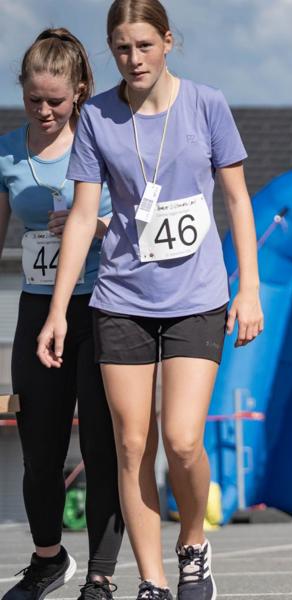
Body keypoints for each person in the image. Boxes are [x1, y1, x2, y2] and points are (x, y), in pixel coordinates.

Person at [36, 2, 263, 599]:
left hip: (198, 296)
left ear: (167, 42)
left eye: (143, 45)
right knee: (132, 442)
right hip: (121, 298)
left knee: (184, 438)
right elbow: (84, 215)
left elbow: (238, 202)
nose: (133, 59)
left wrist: (250, 289)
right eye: (120, 48)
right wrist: (59, 310)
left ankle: (193, 545)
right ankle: (154, 582)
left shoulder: (207, 105)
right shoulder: (97, 118)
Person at [0, 28, 124, 600]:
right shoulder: (7, 152)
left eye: (56, 101)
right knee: (40, 448)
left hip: (101, 304)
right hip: (36, 307)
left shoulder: (101, 143)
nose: (44, 111)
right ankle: (48, 557)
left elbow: (134, 223)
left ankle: (100, 573)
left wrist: (92, 225)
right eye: (33, 101)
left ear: (79, 92)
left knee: (102, 445)